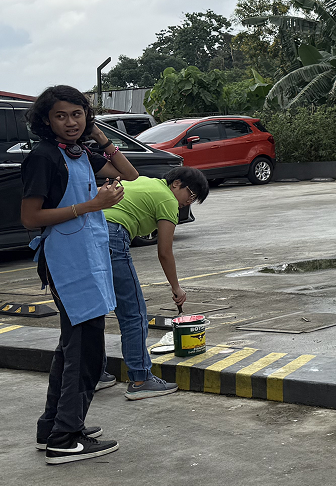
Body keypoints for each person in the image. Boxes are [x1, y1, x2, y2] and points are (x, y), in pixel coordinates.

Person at [21, 86, 138, 463]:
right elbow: (30, 218)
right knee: (86, 351)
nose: (70, 122)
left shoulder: (80, 153)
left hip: (88, 258)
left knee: (71, 346)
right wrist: (91, 205)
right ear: (46, 120)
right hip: (66, 262)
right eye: (61, 115)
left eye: (77, 114)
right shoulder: (44, 157)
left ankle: (52, 427)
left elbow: (129, 173)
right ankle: (65, 437)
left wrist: (99, 136)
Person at [102, 165, 209, 400]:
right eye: (190, 195)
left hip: (88, 232)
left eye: (194, 200)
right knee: (133, 314)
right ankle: (141, 380)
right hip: (112, 237)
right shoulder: (168, 200)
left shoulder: (144, 182)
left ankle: (95, 374)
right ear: (176, 184)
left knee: (95, 311)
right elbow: (165, 252)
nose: (188, 202)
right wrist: (176, 288)